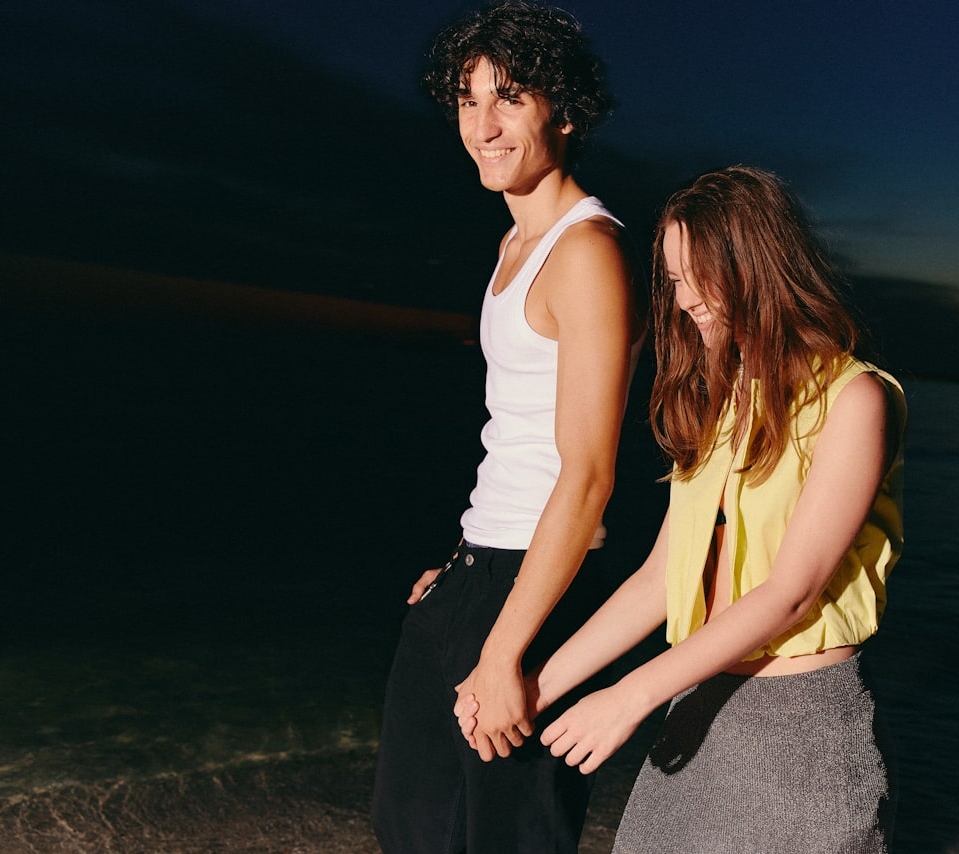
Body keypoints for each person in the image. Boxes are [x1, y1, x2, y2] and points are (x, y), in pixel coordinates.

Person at [459, 165, 907, 852]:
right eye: (672, 278)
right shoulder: (724, 402)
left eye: (700, 272)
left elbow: (791, 594)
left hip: (803, 729)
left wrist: (629, 695)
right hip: (697, 706)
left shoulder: (856, 400)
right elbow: (659, 578)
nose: (685, 297)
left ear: (758, 264)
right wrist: (527, 687)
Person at [371, 3, 643, 852]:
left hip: (538, 588)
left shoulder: (587, 252)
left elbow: (589, 476)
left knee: (511, 837)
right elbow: (514, 435)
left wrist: (503, 648)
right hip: (480, 567)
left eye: (509, 98)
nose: (482, 125)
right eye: (466, 99)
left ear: (564, 112)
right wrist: (458, 573)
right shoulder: (513, 244)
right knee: (412, 825)